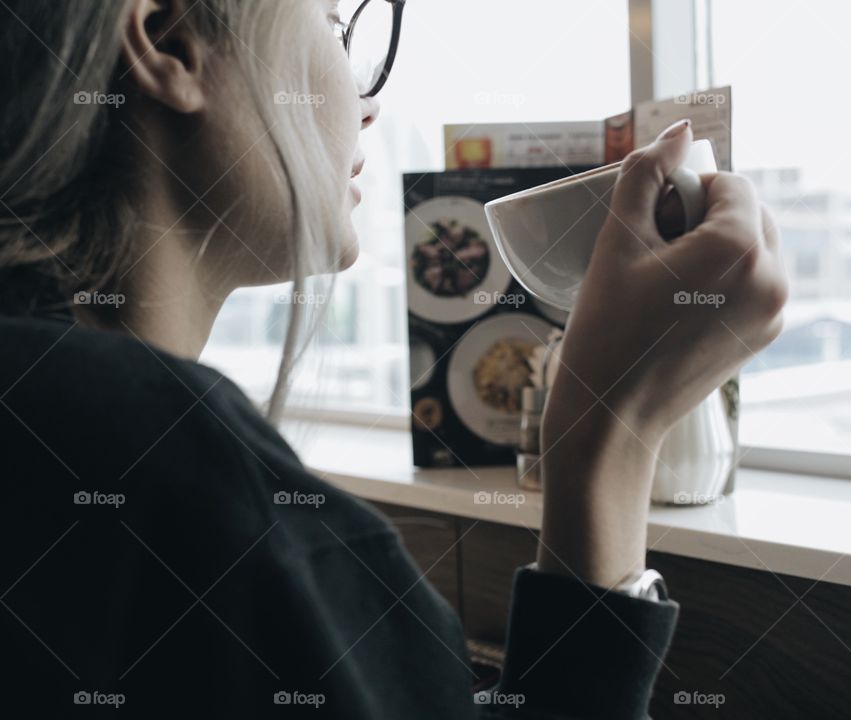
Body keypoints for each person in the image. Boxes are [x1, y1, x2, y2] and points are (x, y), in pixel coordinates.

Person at [0, 1, 787, 717]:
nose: (367, 105)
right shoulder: (192, 483)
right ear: (168, 42)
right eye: (335, 27)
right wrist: (610, 428)